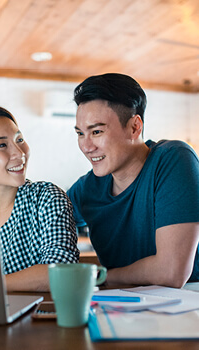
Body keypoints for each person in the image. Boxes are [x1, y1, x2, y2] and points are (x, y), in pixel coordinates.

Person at [67, 73, 199, 288]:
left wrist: (100, 278)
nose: (86, 146)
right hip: (119, 308)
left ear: (134, 127)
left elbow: (171, 272)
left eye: (97, 131)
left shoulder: (174, 159)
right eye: (80, 133)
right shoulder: (86, 189)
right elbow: (39, 227)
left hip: (187, 308)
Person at [0, 104, 79, 292]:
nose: (19, 153)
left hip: (41, 319)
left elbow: (61, 271)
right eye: (1, 145)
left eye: (19, 139)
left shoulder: (46, 198)